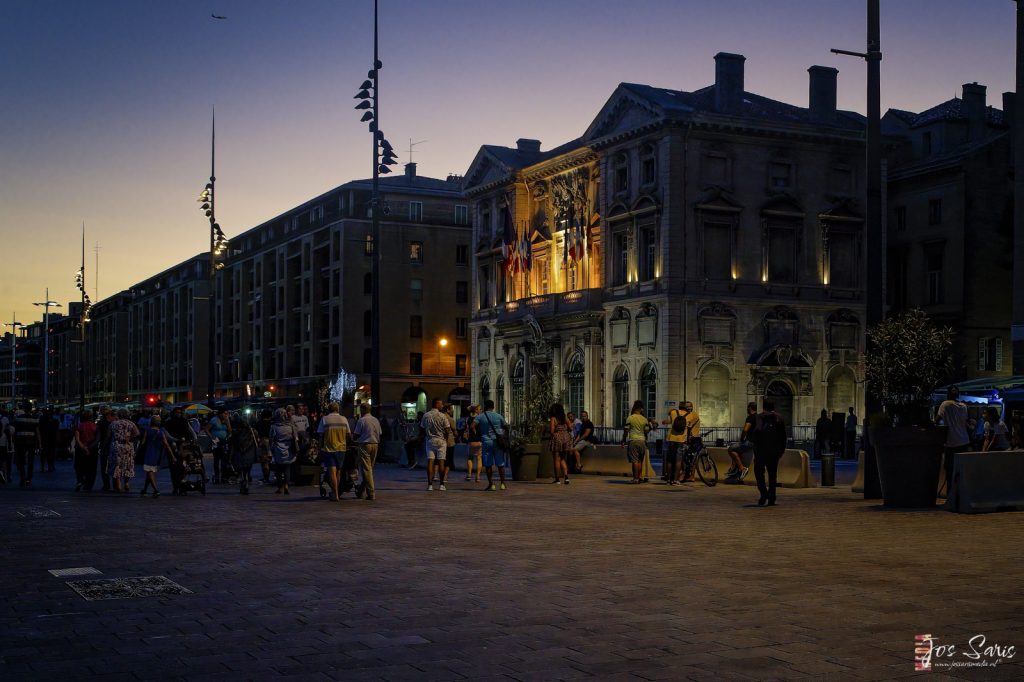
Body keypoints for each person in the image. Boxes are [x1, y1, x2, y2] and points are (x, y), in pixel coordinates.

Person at [752, 400, 787, 506]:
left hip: (761, 450)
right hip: (774, 451)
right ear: (773, 407)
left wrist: (755, 447)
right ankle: (772, 497)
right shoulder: (779, 418)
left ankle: (763, 493)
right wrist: (781, 450)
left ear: (763, 407)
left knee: (759, 472)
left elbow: (756, 432)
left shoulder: (759, 417)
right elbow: (783, 436)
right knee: (772, 475)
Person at [937, 386, 970, 495]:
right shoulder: (964, 406)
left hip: (951, 442)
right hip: (964, 440)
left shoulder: (945, 404)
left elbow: (937, 420)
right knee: (962, 469)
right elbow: (964, 422)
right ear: (958, 395)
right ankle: (961, 493)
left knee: (950, 469)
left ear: (948, 394)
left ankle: (951, 493)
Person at [317, 402, 350, 502]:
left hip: (329, 448)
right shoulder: (344, 419)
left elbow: (320, 435)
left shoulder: (325, 419)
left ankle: (335, 494)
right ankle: (336, 492)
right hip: (341, 448)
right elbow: (348, 434)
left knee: (332, 472)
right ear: (338, 409)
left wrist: (319, 447)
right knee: (339, 471)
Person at [476, 399, 508, 491]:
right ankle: (502, 484)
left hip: (486, 441)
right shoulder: (499, 416)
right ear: (493, 407)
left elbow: (472, 426)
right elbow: (506, 426)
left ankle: (491, 484)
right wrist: (502, 434)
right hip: (497, 442)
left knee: (488, 464)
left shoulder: (480, 417)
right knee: (500, 463)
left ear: (485, 406)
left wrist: (479, 433)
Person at [421, 398, 452, 491]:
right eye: (441, 404)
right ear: (437, 404)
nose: (442, 406)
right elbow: (447, 429)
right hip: (441, 440)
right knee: (441, 461)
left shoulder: (426, 415)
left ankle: (430, 485)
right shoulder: (442, 416)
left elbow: (422, 428)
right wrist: (446, 439)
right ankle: (442, 484)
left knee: (430, 461)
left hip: (430, 440)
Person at [353, 403, 382, 501]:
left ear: (363, 410)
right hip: (375, 444)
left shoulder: (362, 420)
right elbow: (380, 433)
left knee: (366, 469)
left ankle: (371, 493)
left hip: (365, 445)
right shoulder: (376, 420)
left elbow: (356, 434)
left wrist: (353, 439)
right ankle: (361, 491)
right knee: (369, 469)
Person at [138, 415, 171, 498]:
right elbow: (166, 445)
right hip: (157, 454)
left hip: (149, 453)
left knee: (149, 471)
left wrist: (137, 451)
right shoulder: (160, 432)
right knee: (151, 471)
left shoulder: (147, 430)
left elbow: (142, 442)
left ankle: (156, 490)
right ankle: (145, 489)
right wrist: (172, 456)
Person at [108, 409, 139, 493]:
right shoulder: (131, 423)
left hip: (116, 445)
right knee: (127, 465)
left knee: (117, 465)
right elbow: (137, 433)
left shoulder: (113, 423)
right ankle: (126, 483)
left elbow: (108, 435)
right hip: (127, 446)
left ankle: (118, 485)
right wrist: (129, 437)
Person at [622, 400, 653, 484]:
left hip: (633, 440)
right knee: (640, 461)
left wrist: (623, 440)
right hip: (642, 441)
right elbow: (646, 431)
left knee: (635, 461)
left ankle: (635, 479)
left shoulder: (630, 418)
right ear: (641, 409)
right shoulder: (644, 419)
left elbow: (626, 430)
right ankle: (639, 477)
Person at [725, 402, 756, 482]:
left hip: (748, 442)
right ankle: (734, 468)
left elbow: (746, 429)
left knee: (731, 449)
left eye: (747, 408)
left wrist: (742, 438)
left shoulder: (750, 417)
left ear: (750, 408)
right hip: (755, 442)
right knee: (737, 451)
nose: (747, 409)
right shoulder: (758, 417)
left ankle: (742, 468)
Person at [269, 408, 297, 494]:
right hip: (289, 448)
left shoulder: (274, 427)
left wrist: (270, 449)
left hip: (278, 449)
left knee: (278, 469)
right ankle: (286, 485)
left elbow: (271, 439)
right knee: (287, 468)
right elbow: (295, 437)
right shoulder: (291, 426)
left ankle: (280, 487)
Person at [13, 405, 41, 488]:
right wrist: (39, 443)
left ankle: (22, 478)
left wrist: (14, 442)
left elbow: (14, 431)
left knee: (21, 461)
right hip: (31, 442)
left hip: (20, 442)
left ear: (24, 409)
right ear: (30, 409)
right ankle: (29, 479)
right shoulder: (35, 419)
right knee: (31, 461)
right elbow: (37, 432)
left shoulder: (18, 419)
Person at [231, 414, 260, 495]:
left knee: (241, 470)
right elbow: (257, 440)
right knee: (247, 469)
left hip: (240, 453)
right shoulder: (253, 431)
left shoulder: (236, 432)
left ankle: (243, 483)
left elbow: (233, 443)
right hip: (249, 452)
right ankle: (246, 482)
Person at [73, 410, 99, 492]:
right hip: (92, 450)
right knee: (91, 468)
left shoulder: (79, 426)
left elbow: (77, 439)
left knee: (79, 466)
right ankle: (88, 485)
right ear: (91, 417)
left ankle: (80, 480)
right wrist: (90, 447)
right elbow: (97, 439)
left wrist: (83, 447)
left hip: (80, 449)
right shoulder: (95, 426)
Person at [205, 408, 232, 484]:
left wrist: (227, 422)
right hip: (216, 440)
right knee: (216, 459)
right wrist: (211, 437)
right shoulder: (214, 420)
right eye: (224, 413)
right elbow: (206, 429)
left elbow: (230, 430)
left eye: (227, 414)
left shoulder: (227, 420)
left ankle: (223, 476)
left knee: (224, 458)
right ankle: (217, 476)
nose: (226, 415)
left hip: (224, 440)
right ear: (220, 414)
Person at [549, 403, 574, 485]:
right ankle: (566, 477)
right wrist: (565, 430)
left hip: (557, 438)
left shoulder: (553, 418)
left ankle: (557, 479)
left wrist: (555, 433)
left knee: (556, 459)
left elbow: (552, 430)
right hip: (566, 438)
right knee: (563, 458)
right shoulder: (565, 417)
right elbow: (570, 428)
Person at [464, 404, 483, 482]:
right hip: (479, 441)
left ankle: (469, 475)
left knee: (470, 458)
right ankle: (478, 477)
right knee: (479, 458)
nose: (480, 410)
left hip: (471, 441)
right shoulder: (480, 419)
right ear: (476, 410)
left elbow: (466, 429)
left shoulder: (467, 419)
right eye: (479, 409)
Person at [442, 403, 458, 486]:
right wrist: (456, 435)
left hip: (441, 441)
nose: (453, 411)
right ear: (448, 410)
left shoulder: (440, 417)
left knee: (440, 459)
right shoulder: (450, 419)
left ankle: (436, 476)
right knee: (448, 459)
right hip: (449, 442)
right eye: (451, 409)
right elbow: (455, 431)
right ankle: (445, 476)